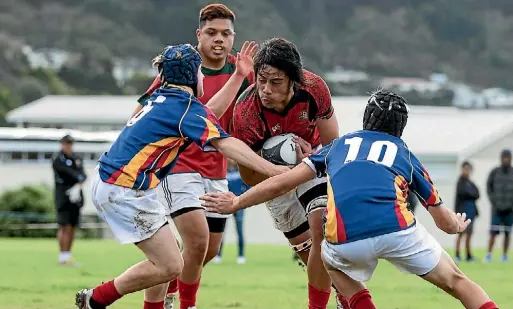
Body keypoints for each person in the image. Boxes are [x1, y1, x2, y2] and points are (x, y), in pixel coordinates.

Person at [201, 90, 500, 309]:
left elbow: (282, 182)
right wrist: (458, 226)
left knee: (331, 264)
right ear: (401, 127)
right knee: (457, 282)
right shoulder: (405, 154)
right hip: (397, 230)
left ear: (367, 118)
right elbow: (444, 222)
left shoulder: (337, 146)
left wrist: (237, 202)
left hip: (346, 240)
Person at [75, 44, 286, 309]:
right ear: (191, 75)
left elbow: (210, 114)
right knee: (171, 265)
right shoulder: (183, 108)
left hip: (116, 182)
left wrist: (238, 77)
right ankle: (95, 298)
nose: (202, 77)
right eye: (199, 71)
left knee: (168, 255)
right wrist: (275, 170)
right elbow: (226, 143)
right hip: (124, 188)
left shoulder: (164, 99)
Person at [136, 5, 256, 309]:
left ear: (233, 37)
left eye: (226, 34)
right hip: (178, 166)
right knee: (198, 242)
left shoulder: (243, 69)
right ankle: (184, 302)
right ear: (198, 34)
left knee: (209, 250)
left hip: (216, 171)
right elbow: (142, 112)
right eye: (212, 32)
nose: (219, 39)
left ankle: (170, 278)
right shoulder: (183, 67)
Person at [230, 37, 349, 309]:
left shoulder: (315, 88)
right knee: (310, 255)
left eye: (275, 82)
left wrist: (311, 160)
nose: (265, 89)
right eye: (261, 80)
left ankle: (338, 301)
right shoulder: (245, 112)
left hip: (312, 166)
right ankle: (344, 293)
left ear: (293, 81)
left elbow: (333, 146)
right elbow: (249, 178)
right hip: (271, 180)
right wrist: (276, 165)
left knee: (321, 229)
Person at [52, 134, 86, 266]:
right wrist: (77, 177)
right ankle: (63, 255)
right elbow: (67, 172)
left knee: (72, 226)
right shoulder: (58, 158)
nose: (68, 146)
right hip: (63, 195)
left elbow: (83, 174)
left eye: (70, 143)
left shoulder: (76, 158)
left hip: (75, 195)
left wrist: (79, 178)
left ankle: (68, 254)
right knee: (64, 226)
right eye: (66, 143)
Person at [212, 159, 249, 264]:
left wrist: (243, 197)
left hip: (238, 204)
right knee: (221, 231)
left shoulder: (240, 172)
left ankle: (241, 255)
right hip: (224, 204)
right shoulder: (223, 172)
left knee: (239, 231)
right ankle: (218, 255)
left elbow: (247, 186)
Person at [485, 149, 513, 263]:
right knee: (493, 233)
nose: (506, 159)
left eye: (508, 157)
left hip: (510, 210)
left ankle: (504, 256)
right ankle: (489, 255)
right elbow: (489, 187)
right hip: (496, 209)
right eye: (504, 157)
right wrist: (494, 201)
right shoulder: (495, 172)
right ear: (501, 158)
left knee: (507, 233)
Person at [454, 161, 480, 262]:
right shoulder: (460, 182)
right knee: (461, 234)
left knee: (469, 234)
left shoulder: (471, 183)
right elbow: (462, 193)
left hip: (471, 212)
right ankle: (457, 254)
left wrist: (470, 194)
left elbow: (477, 194)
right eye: (465, 169)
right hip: (462, 212)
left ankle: (468, 255)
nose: (467, 171)